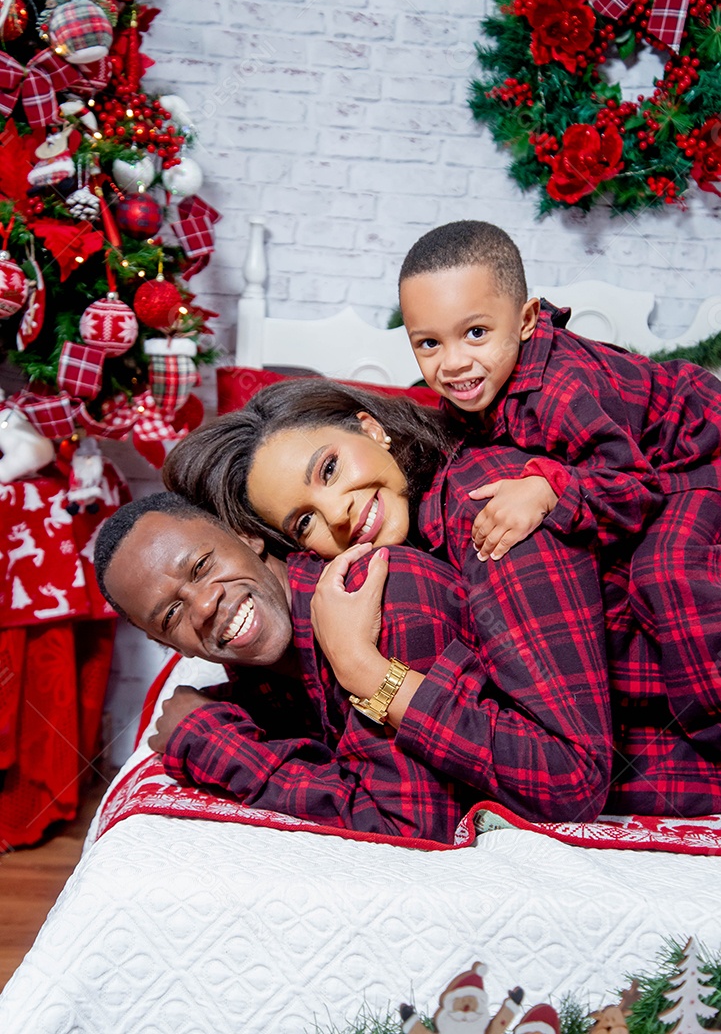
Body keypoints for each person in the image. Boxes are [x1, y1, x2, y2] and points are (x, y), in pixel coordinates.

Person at [164, 379, 721, 815]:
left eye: (329, 468)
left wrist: (366, 672)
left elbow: (572, 780)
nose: (337, 513)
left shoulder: (490, 515)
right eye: (304, 519)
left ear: (373, 429)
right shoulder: (397, 557)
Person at [94, 492, 613, 837]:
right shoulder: (260, 666)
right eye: (172, 613)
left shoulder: (375, 591)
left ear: (246, 535)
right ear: (167, 643)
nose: (205, 605)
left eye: (203, 566)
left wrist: (213, 742)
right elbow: (330, 755)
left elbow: (408, 825)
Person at [398, 220, 721, 755]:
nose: (453, 362)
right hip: (649, 460)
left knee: (665, 572)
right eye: (429, 343)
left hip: (698, 454)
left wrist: (549, 489)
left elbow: (631, 486)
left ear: (525, 320)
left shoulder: (561, 389)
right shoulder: (476, 389)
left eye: (475, 333)